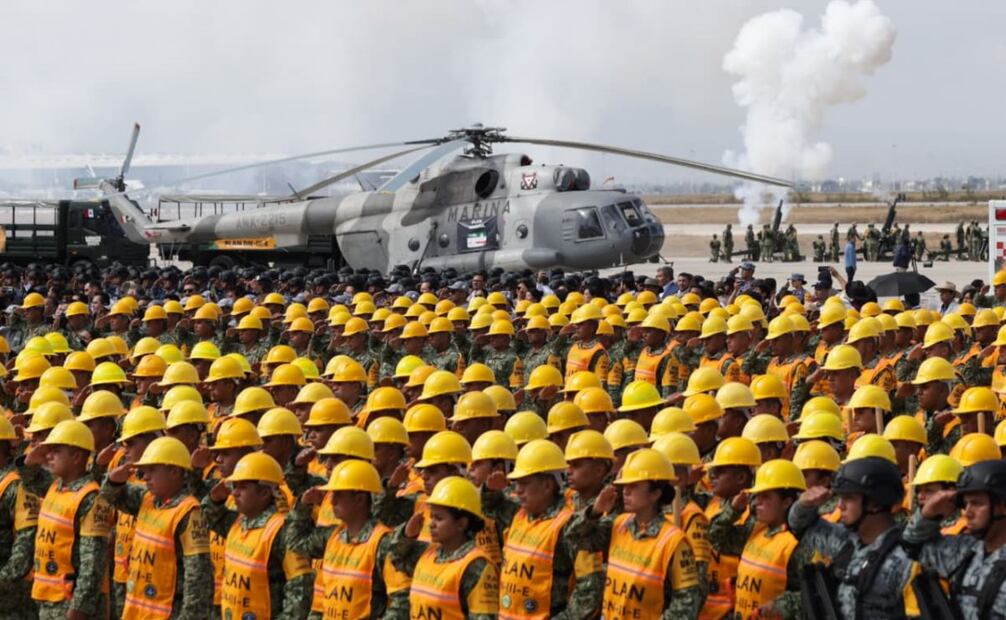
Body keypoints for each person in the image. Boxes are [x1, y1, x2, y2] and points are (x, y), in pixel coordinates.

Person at [570, 449, 703, 618]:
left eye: (634, 486)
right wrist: (594, 512)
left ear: (655, 494)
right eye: (625, 485)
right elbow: (575, 538)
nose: (625, 491)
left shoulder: (673, 540)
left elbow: (686, 604)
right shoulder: (619, 524)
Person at [101, 436, 213, 618]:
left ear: (175, 472)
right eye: (144, 471)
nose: (145, 477)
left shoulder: (188, 511)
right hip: (138, 610)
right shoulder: (146, 499)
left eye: (152, 470)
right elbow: (111, 495)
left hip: (168, 612)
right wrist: (114, 480)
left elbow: (198, 577)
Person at [23, 420, 115, 619]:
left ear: (76, 456)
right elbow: (30, 477)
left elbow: (93, 563)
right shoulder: (57, 486)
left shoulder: (90, 498)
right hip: (50, 600)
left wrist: (79, 609)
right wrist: (31, 462)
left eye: (56, 450)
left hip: (73, 606)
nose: (49, 456)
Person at [906, 459, 1006, 618]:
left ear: (1002, 505)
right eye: (964, 504)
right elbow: (911, 548)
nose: (967, 512)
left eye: (976, 503)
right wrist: (928, 516)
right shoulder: (965, 552)